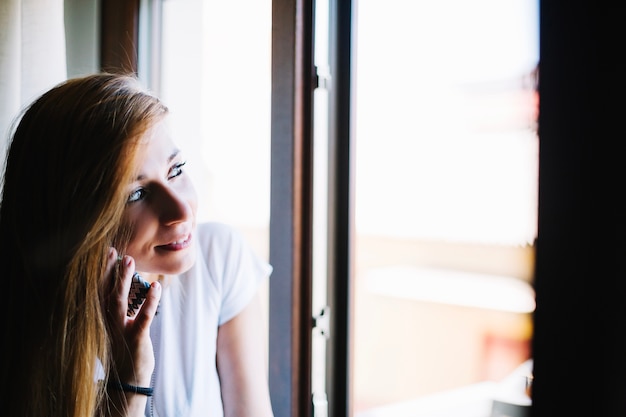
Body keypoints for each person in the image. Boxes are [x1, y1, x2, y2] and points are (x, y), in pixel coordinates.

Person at [0, 73, 275, 417]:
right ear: (77, 221)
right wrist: (130, 384)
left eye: (176, 170)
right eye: (137, 194)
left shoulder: (218, 258)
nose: (180, 211)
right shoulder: (34, 332)